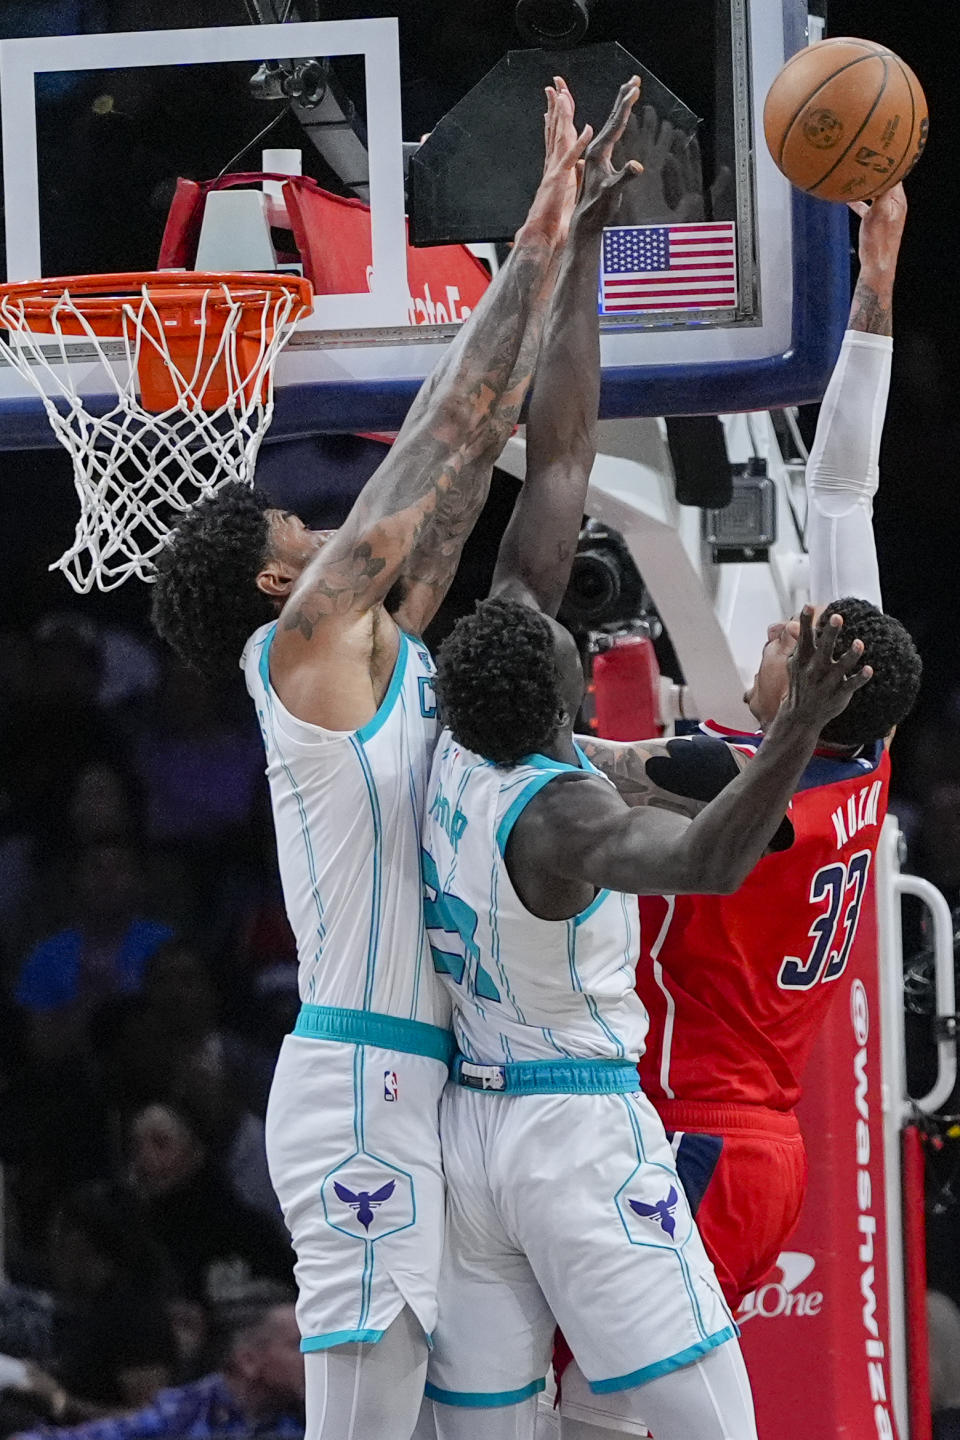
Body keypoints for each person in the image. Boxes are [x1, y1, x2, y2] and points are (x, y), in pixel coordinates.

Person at [416, 89, 872, 1440]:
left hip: (469, 1134)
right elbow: (712, 855)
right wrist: (794, 731)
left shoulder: (440, 760)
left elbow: (555, 469)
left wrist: (573, 258)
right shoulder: (570, 813)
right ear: (557, 690)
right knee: (712, 1425)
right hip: (577, 1130)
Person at [150, 76, 593, 1440]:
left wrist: (559, 281)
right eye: (297, 525)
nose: (312, 519)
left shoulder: (374, 649)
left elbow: (460, 493)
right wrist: (528, 249)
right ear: (283, 582)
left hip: (441, 1082)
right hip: (357, 1085)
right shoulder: (297, 661)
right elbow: (436, 444)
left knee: (487, 1421)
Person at [551, 185, 922, 1436]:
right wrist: (873, 289)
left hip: (704, 1140)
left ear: (818, 685)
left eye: (793, 638)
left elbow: (586, 766)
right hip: (746, 1146)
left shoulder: (745, 790)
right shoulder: (851, 756)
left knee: (595, 1419)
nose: (776, 629)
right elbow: (843, 496)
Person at [10, 1304, 305, 1440]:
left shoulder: (312, 1421)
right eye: (298, 1346)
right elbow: (112, 1433)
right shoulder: (191, 1406)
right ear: (249, 1360)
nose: (313, 1360)